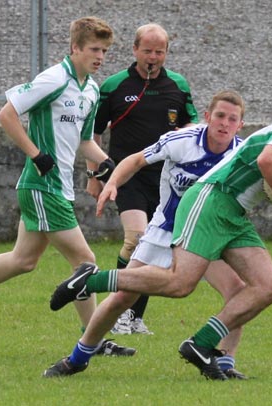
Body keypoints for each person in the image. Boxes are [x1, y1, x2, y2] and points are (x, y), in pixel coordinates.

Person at [48, 92, 272, 380]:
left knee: (266, 287)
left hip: (230, 215)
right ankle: (88, 288)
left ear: (240, 124)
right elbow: (268, 162)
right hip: (206, 203)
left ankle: (206, 349)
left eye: (233, 119)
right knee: (174, 285)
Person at [0, 16, 134, 356]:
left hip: (57, 188)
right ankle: (93, 340)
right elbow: (6, 114)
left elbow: (84, 141)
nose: (100, 56)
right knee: (85, 261)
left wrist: (107, 165)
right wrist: (36, 154)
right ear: (75, 48)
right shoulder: (54, 79)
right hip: (42, 186)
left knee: (23, 260)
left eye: (104, 50)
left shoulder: (91, 89)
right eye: (93, 49)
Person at [44, 90, 248, 378]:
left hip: (206, 235)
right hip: (166, 230)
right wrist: (113, 182)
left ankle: (226, 364)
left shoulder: (242, 154)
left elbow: (269, 177)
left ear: (240, 125)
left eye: (232, 119)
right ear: (207, 117)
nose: (225, 123)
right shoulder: (182, 141)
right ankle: (76, 359)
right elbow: (136, 160)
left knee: (237, 292)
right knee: (123, 298)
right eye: (220, 116)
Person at [86, 23, 199, 335]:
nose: (153, 57)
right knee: (136, 238)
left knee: (153, 247)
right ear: (135, 50)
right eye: (147, 50)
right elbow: (92, 133)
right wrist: (94, 174)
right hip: (127, 175)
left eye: (159, 51)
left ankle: (134, 317)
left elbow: (194, 126)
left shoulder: (178, 84)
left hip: (166, 180)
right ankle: (119, 312)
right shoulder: (113, 85)